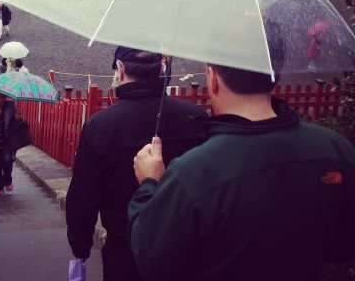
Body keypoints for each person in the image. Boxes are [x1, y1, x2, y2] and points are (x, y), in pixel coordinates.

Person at [128, 63, 355, 281]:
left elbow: (153, 263)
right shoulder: (334, 149)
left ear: (213, 78)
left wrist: (150, 183)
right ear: (275, 76)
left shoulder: (193, 172)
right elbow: (343, 246)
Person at [66, 47, 206, 280]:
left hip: (125, 255)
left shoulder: (100, 127)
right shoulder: (196, 117)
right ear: (162, 69)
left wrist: (80, 248)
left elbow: (84, 197)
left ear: (120, 70)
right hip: (186, 256)